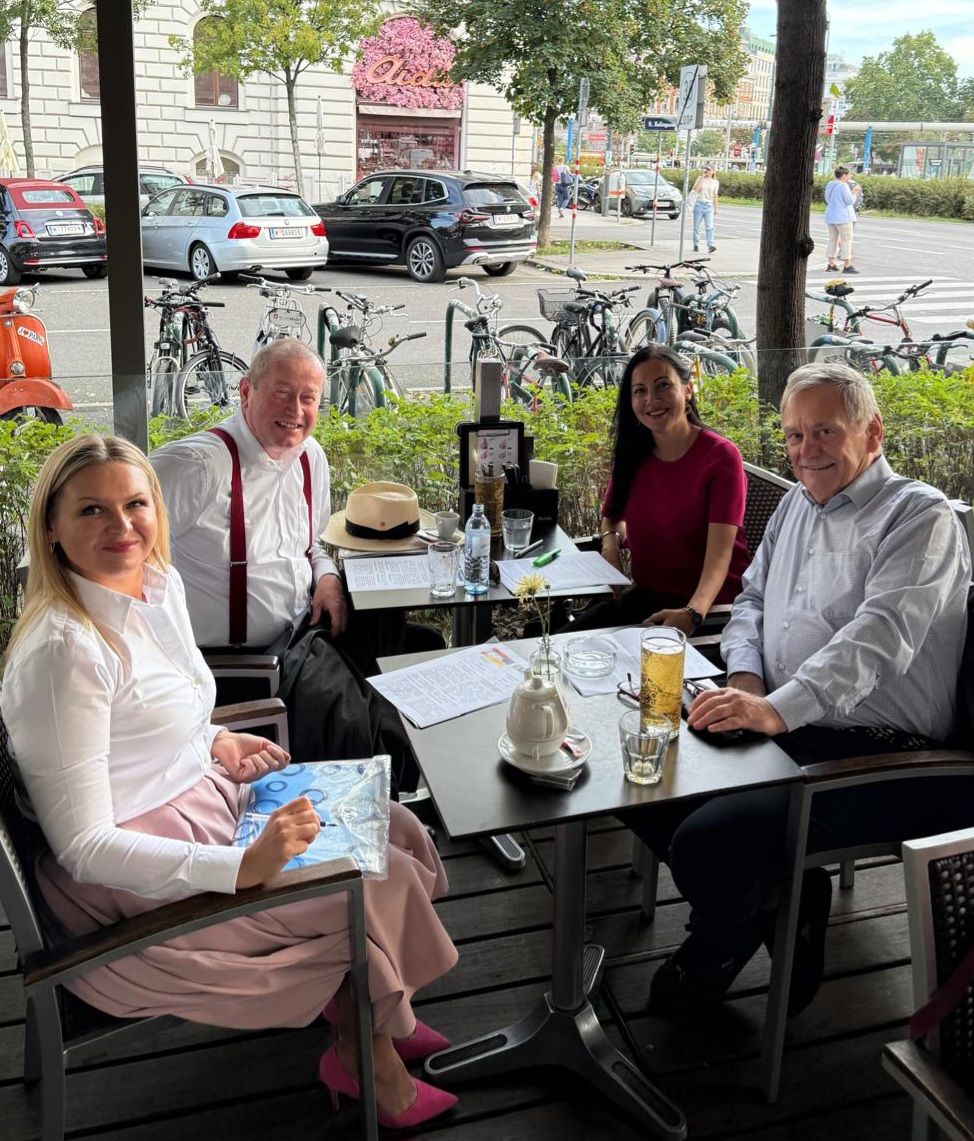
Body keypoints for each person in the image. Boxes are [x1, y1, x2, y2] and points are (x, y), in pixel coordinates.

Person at [0, 435, 459, 1128]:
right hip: (141, 878)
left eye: (135, 504)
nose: (122, 526)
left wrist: (214, 739)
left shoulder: (155, 586)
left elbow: (152, 716)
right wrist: (242, 868)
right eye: (92, 510)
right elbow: (86, 848)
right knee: (378, 878)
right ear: (52, 530)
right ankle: (367, 1051)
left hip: (208, 800)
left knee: (396, 825)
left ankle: (374, 1009)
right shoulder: (64, 652)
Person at [628, 362, 972, 1017]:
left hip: (882, 754)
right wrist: (746, 677)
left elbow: (878, 638)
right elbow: (752, 600)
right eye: (793, 435)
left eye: (824, 431)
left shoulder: (918, 515)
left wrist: (775, 710)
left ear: (872, 432)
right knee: (638, 775)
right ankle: (780, 896)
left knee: (707, 839)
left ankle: (722, 939)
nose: (806, 450)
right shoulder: (796, 503)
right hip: (786, 720)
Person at [150, 340, 418, 791]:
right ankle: (357, 806)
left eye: (308, 397)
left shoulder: (310, 457)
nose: (296, 410)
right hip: (240, 665)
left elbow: (311, 545)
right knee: (350, 715)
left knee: (409, 650)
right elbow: (120, 552)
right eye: (281, 393)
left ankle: (402, 792)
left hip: (303, 634)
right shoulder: (195, 465)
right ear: (246, 392)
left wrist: (326, 577)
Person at [565, 344, 750, 635]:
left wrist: (693, 613)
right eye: (640, 391)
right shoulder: (634, 452)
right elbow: (612, 516)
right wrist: (611, 548)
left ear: (687, 389)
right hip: (647, 601)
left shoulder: (721, 457)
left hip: (712, 612)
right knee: (557, 645)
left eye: (663, 385)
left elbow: (720, 556)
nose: (651, 399)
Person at [823, 165, 858, 273]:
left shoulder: (830, 184)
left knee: (832, 240)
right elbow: (849, 201)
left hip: (830, 216)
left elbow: (827, 199)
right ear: (843, 175)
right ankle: (847, 265)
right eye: (848, 175)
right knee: (846, 240)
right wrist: (854, 194)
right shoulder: (843, 186)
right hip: (843, 217)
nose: (849, 177)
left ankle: (831, 264)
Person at [691, 165, 719, 253]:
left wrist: (716, 208)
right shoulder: (700, 178)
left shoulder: (715, 182)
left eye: (708, 169)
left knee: (709, 227)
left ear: (713, 172)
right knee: (696, 226)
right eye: (705, 169)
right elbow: (695, 189)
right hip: (699, 204)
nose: (706, 170)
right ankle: (696, 244)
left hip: (709, 206)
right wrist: (702, 178)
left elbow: (715, 195)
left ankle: (710, 245)